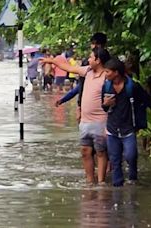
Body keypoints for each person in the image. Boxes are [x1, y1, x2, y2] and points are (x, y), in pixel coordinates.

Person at [40, 47, 111, 186]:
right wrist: (52, 61)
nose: (89, 59)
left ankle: (102, 183)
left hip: (101, 121)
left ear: (98, 60)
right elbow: (68, 67)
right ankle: (90, 182)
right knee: (85, 151)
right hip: (85, 121)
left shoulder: (107, 77)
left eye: (91, 57)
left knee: (101, 152)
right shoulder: (88, 71)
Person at [101, 58, 151, 187]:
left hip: (129, 128)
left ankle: (132, 180)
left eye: (107, 72)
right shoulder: (106, 86)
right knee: (115, 160)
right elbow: (103, 107)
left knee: (131, 156)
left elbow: (148, 100)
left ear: (116, 73)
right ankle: (117, 187)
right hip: (112, 128)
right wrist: (106, 104)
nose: (105, 74)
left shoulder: (132, 87)